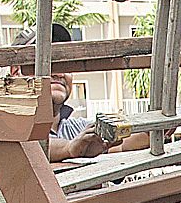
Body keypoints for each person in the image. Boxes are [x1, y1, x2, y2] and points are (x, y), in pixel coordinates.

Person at [10, 24, 134, 161]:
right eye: (48, 63)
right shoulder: (2, 127)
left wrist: (152, 132)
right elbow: (23, 147)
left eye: (66, 63)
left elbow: (121, 146)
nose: (60, 73)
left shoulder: (78, 128)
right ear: (16, 72)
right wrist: (69, 148)